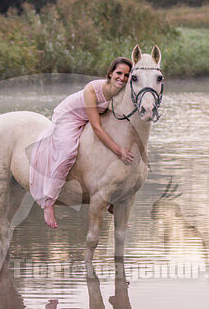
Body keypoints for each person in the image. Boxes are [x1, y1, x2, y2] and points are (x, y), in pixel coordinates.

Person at [29, 57, 134, 228]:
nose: (122, 78)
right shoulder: (92, 90)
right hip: (69, 116)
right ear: (110, 73)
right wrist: (118, 150)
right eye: (119, 73)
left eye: (127, 75)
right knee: (68, 152)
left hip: (90, 117)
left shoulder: (123, 92)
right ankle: (48, 202)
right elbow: (97, 127)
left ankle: (113, 203)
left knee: (110, 151)